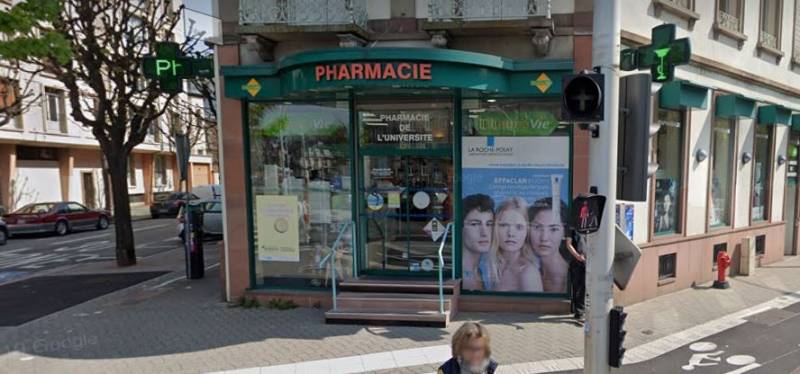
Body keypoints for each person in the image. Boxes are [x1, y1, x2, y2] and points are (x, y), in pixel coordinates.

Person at [490, 197, 543, 292]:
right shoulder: (494, 266)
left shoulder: (528, 273)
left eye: (519, 227)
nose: (511, 233)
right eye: (504, 225)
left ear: (527, 232)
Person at [528, 197, 569, 293]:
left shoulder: (568, 278)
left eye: (553, 229)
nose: (544, 238)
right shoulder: (530, 272)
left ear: (564, 233)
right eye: (537, 227)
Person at [461, 194, 495, 291]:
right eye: (475, 224)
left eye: (489, 224)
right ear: (461, 228)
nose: (484, 233)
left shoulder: (481, 270)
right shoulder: (460, 274)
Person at [564, 224, 586, 321]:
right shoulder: (572, 227)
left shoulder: (589, 227)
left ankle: (580, 310)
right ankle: (579, 312)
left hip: (587, 261)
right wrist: (577, 256)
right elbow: (568, 244)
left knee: (584, 287)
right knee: (577, 287)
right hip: (576, 262)